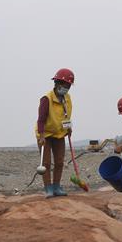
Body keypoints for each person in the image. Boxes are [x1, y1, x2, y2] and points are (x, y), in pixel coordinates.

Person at [35, 68, 74, 197]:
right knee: (45, 163)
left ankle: (57, 186)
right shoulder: (46, 99)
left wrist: (68, 128)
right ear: (57, 83)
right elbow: (41, 120)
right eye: (64, 84)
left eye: (68, 85)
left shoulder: (67, 98)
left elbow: (66, 115)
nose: (66, 88)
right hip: (45, 134)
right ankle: (48, 188)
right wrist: (41, 136)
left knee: (59, 161)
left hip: (59, 134)